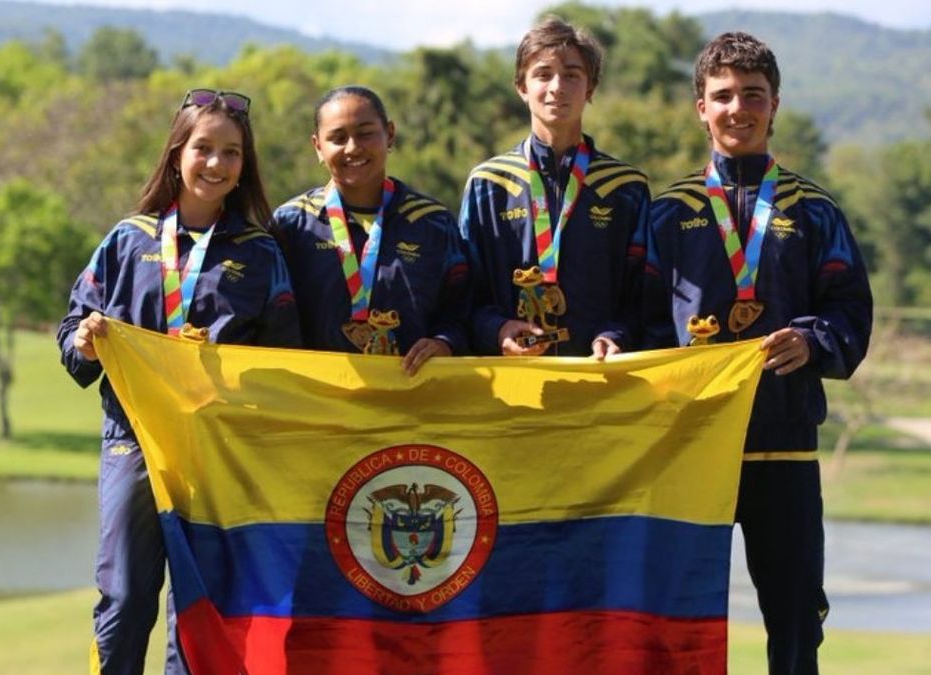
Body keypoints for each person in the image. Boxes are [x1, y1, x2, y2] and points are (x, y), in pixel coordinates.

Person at [643, 32, 873, 674]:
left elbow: (851, 309)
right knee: (674, 618)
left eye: (753, 94)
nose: (737, 108)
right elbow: (638, 323)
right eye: (722, 96)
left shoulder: (816, 209)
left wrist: (813, 339)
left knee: (796, 617)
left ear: (775, 105)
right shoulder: (667, 213)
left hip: (784, 445)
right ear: (700, 107)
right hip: (689, 447)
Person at [56, 88, 301, 675]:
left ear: (245, 165)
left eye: (232, 153)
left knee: (197, 606)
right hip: (133, 442)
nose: (216, 164)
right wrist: (84, 341)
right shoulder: (128, 239)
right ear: (176, 153)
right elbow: (71, 329)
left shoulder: (261, 253)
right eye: (204, 148)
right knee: (122, 596)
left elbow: (286, 360)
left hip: (218, 451)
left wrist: (226, 372)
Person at [459, 16, 650, 359]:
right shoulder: (487, 184)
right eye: (543, 74)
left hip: (600, 383)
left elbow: (646, 295)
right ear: (521, 87)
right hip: (514, 389)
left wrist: (615, 335)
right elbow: (461, 293)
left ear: (590, 89)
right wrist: (497, 329)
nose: (557, 86)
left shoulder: (626, 188)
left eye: (572, 75)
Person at [273, 85, 470, 374]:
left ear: (389, 134)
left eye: (365, 133)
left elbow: (464, 309)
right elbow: (272, 321)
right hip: (320, 404)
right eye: (337, 138)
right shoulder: (292, 223)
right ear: (317, 146)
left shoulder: (432, 222)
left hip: (411, 402)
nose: (353, 147)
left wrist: (445, 342)